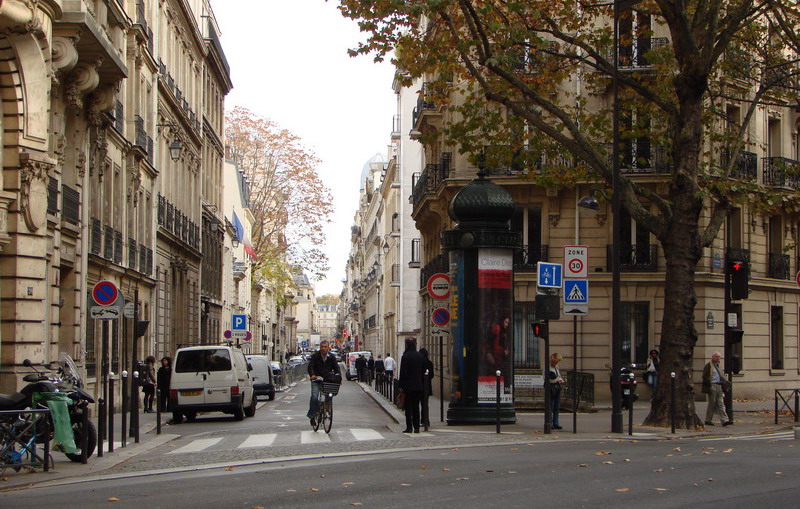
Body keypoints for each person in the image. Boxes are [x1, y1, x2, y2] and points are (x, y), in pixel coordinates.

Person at [306, 340, 341, 427]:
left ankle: (327, 409)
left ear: (328, 347)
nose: (323, 349)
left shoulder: (331, 357)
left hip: (327, 380)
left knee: (329, 396)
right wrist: (312, 375)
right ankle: (312, 416)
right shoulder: (315, 356)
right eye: (322, 347)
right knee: (314, 397)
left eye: (325, 347)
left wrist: (339, 378)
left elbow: (337, 368)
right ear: (320, 347)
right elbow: (310, 366)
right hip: (316, 379)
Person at [399, 338, 425, 433]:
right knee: (416, 407)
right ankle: (417, 427)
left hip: (408, 386)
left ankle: (409, 427)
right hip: (418, 386)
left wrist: (401, 386)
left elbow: (403, 373)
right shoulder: (420, 356)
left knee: (408, 408)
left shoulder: (405, 356)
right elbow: (423, 372)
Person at [702, 351, 732, 426]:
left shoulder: (718, 366)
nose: (719, 358)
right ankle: (708, 419)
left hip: (719, 386)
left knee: (720, 403)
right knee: (712, 403)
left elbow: (721, 376)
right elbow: (705, 377)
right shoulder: (709, 366)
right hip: (712, 385)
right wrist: (710, 386)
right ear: (713, 357)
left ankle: (724, 420)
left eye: (719, 357)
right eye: (717, 357)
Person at [549, 353, 565, 430]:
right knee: (550, 406)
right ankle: (550, 423)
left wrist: (560, 380)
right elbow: (547, 378)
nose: (557, 363)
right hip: (551, 387)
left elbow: (558, 376)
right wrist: (556, 379)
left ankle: (556, 423)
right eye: (556, 361)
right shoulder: (548, 367)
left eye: (558, 361)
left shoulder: (556, 367)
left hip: (557, 387)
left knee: (557, 406)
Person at [419, 348, 434, 431]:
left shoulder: (420, 363)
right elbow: (432, 375)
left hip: (420, 386)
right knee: (425, 404)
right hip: (427, 387)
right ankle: (426, 421)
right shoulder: (430, 363)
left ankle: (422, 420)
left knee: (419, 404)